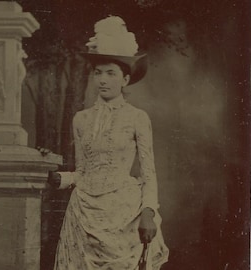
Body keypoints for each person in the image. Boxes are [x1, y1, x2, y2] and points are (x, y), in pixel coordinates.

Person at [48, 16, 169, 270]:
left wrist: (148, 212)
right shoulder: (81, 119)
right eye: (98, 73)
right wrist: (63, 178)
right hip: (83, 212)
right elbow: (83, 171)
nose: (102, 80)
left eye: (111, 73)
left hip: (122, 213)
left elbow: (149, 173)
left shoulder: (137, 118)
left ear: (125, 80)